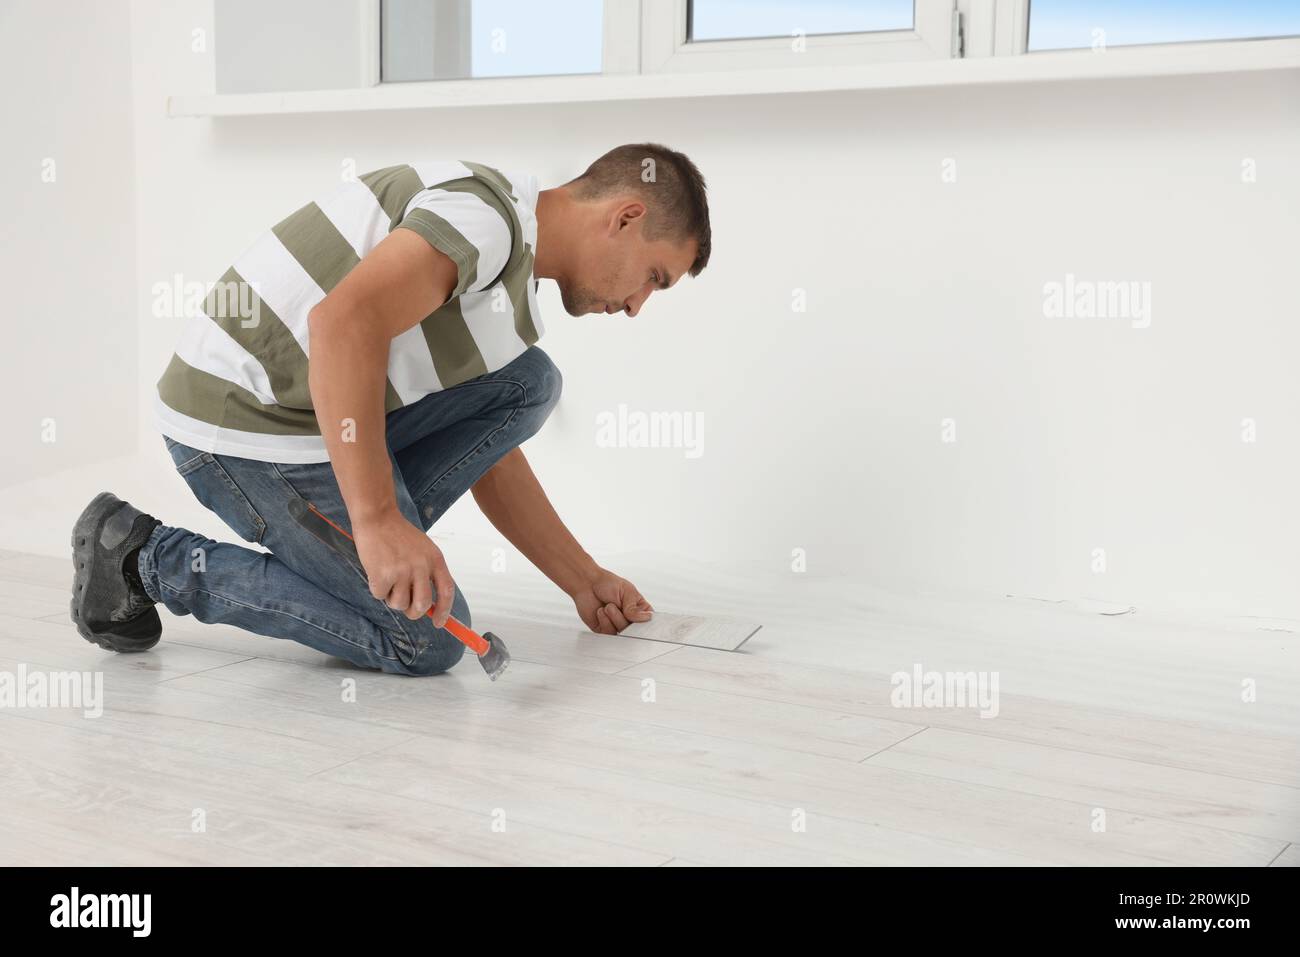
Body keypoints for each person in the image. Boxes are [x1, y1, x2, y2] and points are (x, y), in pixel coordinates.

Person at [70, 143, 711, 676]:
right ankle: (143, 556)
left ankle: (347, 558)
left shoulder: (507, 276)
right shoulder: (484, 220)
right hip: (243, 427)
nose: (636, 306)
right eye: (654, 276)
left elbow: (485, 452)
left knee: (529, 382)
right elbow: (342, 324)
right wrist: (377, 521)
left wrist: (582, 578)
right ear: (625, 217)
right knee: (425, 640)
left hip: (313, 416)